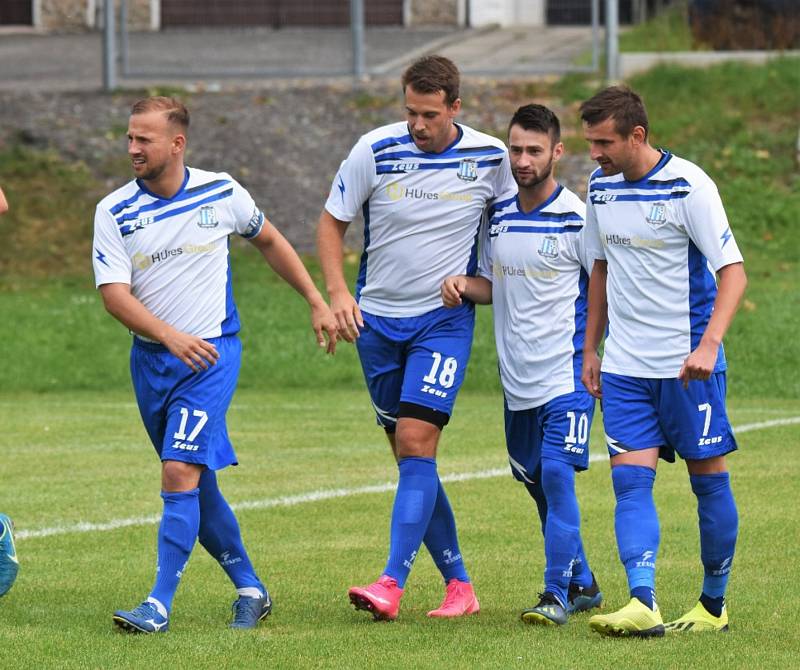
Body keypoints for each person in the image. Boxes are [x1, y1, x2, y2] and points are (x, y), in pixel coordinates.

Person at [92, 96, 337, 634]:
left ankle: (157, 605)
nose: (132, 148)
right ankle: (251, 588)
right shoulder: (114, 211)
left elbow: (269, 240)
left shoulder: (221, 191)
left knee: (178, 470)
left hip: (210, 357)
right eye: (130, 138)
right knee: (196, 485)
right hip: (153, 363)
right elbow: (114, 295)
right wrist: (166, 337)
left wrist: (317, 301)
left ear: (176, 144)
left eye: (144, 139)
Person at [317, 55, 515, 620]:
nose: (417, 124)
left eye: (429, 114)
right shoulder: (374, 150)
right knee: (411, 458)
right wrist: (336, 294)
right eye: (410, 112)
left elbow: (511, 233)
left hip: (442, 321)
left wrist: (482, 286)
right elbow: (332, 222)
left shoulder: (489, 158)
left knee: (415, 443)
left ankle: (390, 584)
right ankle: (460, 586)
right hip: (376, 323)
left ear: (456, 107)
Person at [579, 86, 746, 637]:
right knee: (629, 485)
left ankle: (713, 606)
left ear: (638, 136)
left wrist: (710, 345)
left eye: (604, 142)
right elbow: (599, 270)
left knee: (709, 485)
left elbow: (733, 273)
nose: (595, 153)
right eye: (590, 142)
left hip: (686, 368)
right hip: (626, 370)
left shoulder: (689, 186)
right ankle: (642, 601)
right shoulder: (600, 190)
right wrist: (590, 348)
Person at [441, 104, 603, 626]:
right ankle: (584, 583)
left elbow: (605, 291)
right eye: (515, 149)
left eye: (534, 150)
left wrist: (593, 354)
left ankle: (555, 594)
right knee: (537, 485)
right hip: (518, 381)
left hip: (567, 376)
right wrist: (467, 286)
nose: (523, 160)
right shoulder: (501, 217)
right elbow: (497, 284)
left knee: (556, 477)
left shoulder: (578, 219)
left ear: (557, 152)